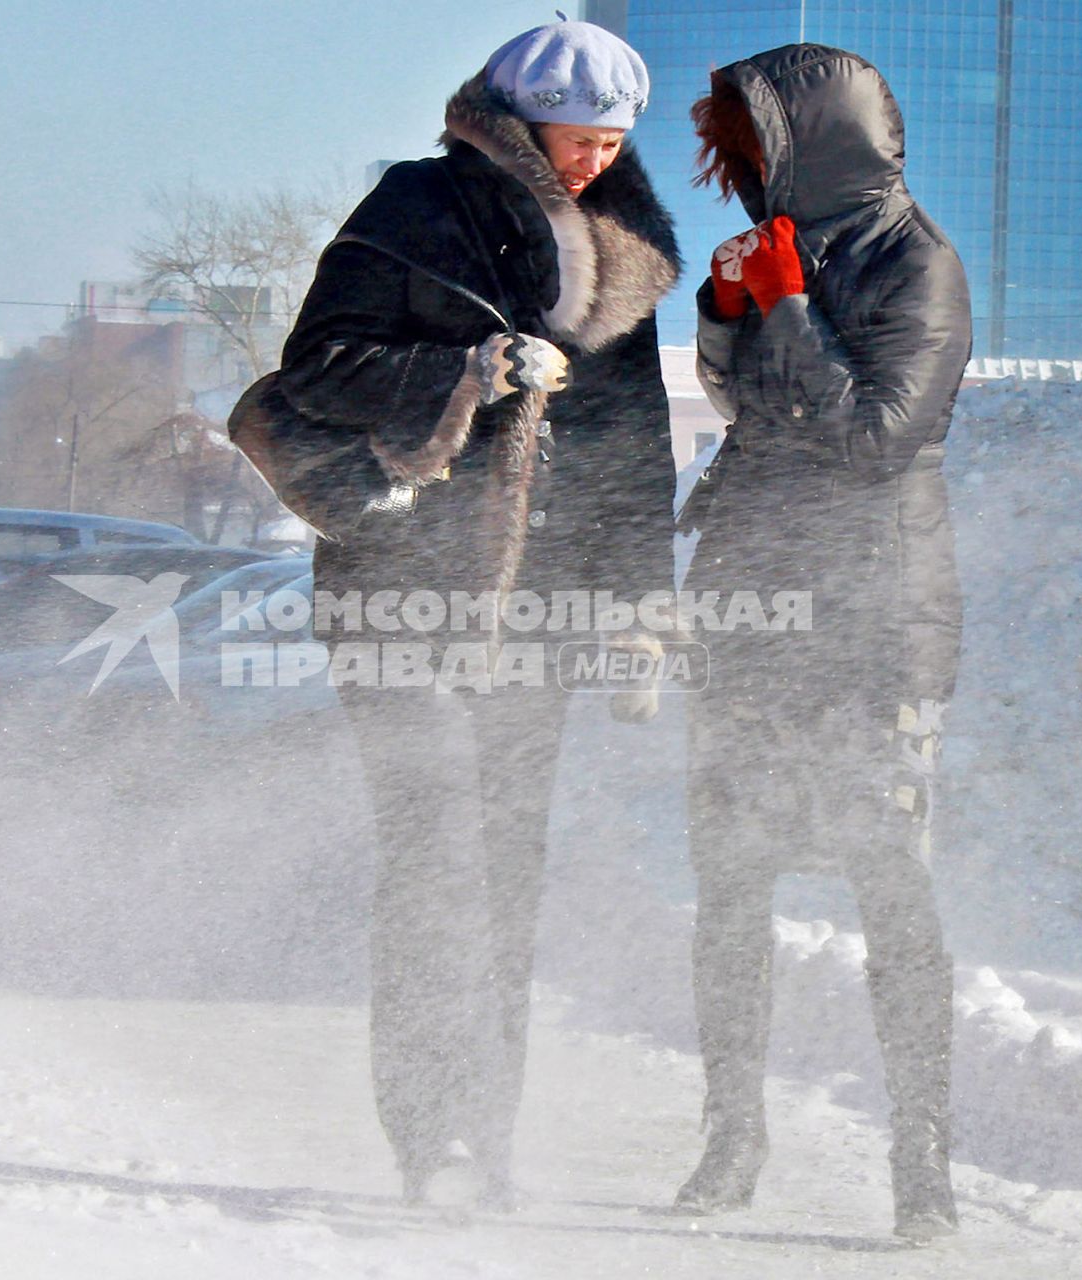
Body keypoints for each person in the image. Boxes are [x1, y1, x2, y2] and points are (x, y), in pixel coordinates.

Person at [274, 20, 679, 1207]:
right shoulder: (415, 208)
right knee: (437, 857)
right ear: (515, 126)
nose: (596, 161)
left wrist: (640, 602)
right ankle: (428, 1131)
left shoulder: (626, 247)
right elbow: (318, 364)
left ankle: (486, 1136)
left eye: (613, 141)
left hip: (541, 609)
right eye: (576, 138)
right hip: (404, 591)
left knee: (507, 870)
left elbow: (632, 439)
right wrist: (468, 372)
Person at [674, 44, 971, 1241]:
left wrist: (789, 304)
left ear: (818, 147)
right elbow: (748, 411)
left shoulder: (921, 263)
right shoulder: (784, 249)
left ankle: (925, 1162)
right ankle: (730, 1135)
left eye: (758, 157)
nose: (746, 182)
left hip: (869, 632)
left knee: (891, 893)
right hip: (749, 617)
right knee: (729, 891)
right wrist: (727, 308)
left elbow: (869, 443)